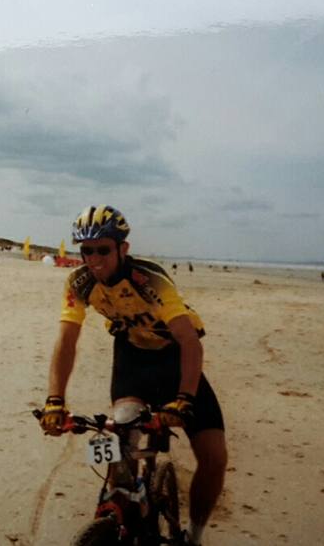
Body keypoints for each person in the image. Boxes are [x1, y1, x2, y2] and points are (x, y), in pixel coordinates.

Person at [40, 205, 227, 546]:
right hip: (132, 359)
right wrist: (55, 401)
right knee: (119, 433)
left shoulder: (150, 278)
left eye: (103, 250)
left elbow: (189, 342)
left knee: (214, 458)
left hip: (175, 357)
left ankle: (195, 537)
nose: (94, 259)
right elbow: (66, 340)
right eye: (87, 250)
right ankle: (120, 508)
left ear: (123, 249)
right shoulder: (79, 282)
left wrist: (184, 399)